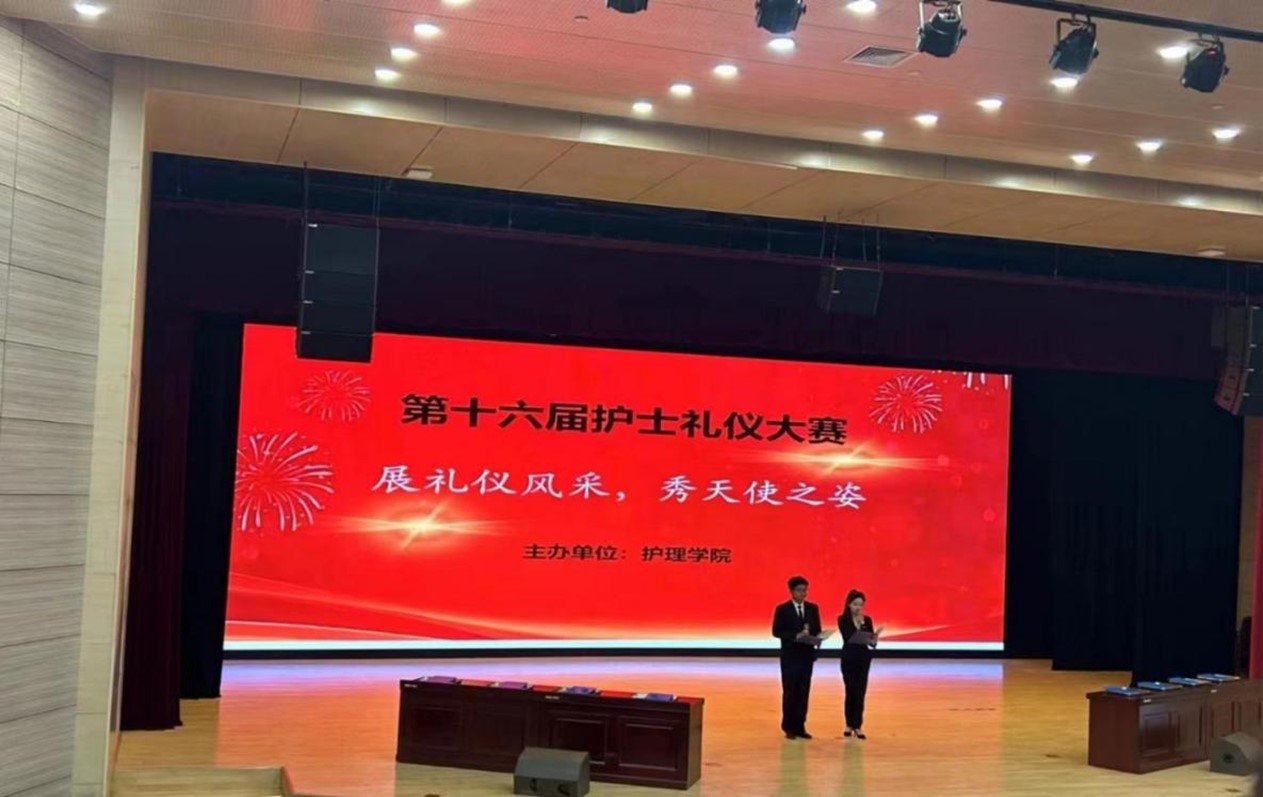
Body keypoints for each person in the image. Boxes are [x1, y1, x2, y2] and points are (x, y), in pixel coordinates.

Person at [772, 575, 822, 740]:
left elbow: (817, 629)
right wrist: (795, 636)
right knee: (790, 691)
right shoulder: (783, 609)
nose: (803, 593)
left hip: (806, 655)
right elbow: (776, 631)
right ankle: (789, 727)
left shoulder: (812, 608)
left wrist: (817, 638)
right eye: (799, 590)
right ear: (791, 591)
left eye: (805, 590)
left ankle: (800, 726)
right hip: (790, 656)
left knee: (803, 691)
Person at [838, 588, 882, 740]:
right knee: (850, 690)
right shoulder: (842, 619)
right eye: (855, 604)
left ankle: (858, 726)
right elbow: (848, 637)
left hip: (863, 658)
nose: (858, 607)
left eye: (861, 605)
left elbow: (870, 642)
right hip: (849, 657)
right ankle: (848, 724)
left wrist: (874, 640)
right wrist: (858, 627)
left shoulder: (867, 620)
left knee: (860, 691)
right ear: (849, 604)